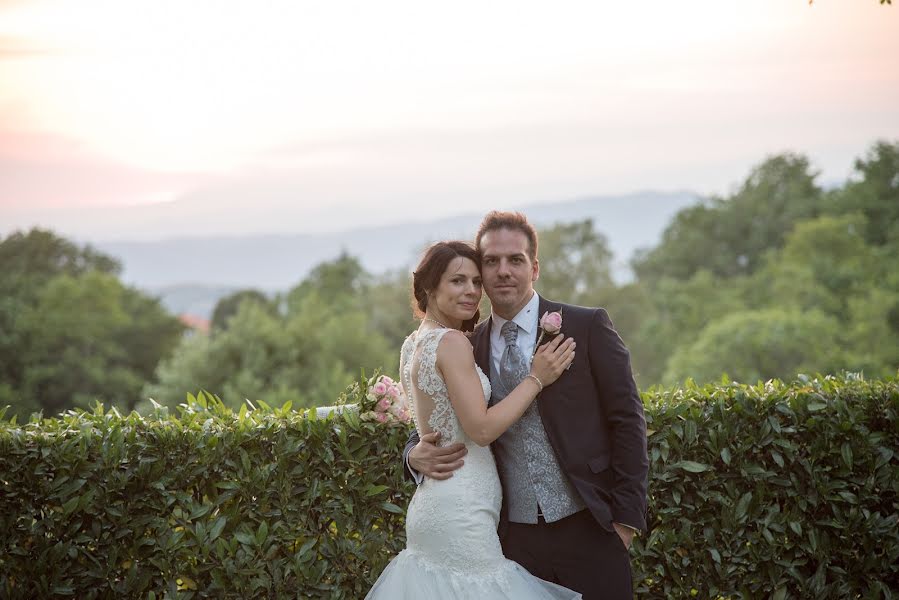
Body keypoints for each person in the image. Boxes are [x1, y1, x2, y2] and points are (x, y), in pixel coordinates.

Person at [404, 212, 649, 599]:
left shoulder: (585, 327)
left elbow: (628, 422)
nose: (503, 271)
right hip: (511, 539)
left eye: (515, 260)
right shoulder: (468, 345)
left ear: (533, 267)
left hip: (590, 526)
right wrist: (412, 456)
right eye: (491, 261)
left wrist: (625, 524)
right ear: (481, 272)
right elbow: (439, 415)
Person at [366, 240, 581, 599]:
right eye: (457, 281)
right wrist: (536, 378)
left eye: (476, 282)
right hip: (460, 511)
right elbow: (480, 429)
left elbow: (433, 421)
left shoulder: (413, 343)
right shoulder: (451, 342)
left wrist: (413, 453)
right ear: (429, 288)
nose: (471, 292)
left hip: (437, 502)